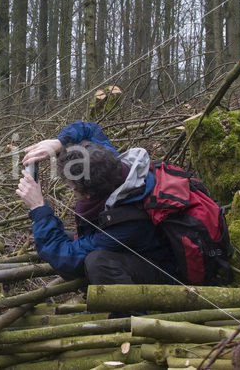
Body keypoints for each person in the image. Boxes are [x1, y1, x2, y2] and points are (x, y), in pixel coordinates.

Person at [16, 121, 177, 284]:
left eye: (72, 187)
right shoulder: (111, 164)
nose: (71, 191)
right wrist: (59, 143)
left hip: (165, 272)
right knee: (58, 237)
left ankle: (132, 309)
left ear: (89, 195)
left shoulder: (129, 222)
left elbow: (68, 260)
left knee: (97, 263)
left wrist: (38, 207)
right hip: (137, 250)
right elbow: (88, 129)